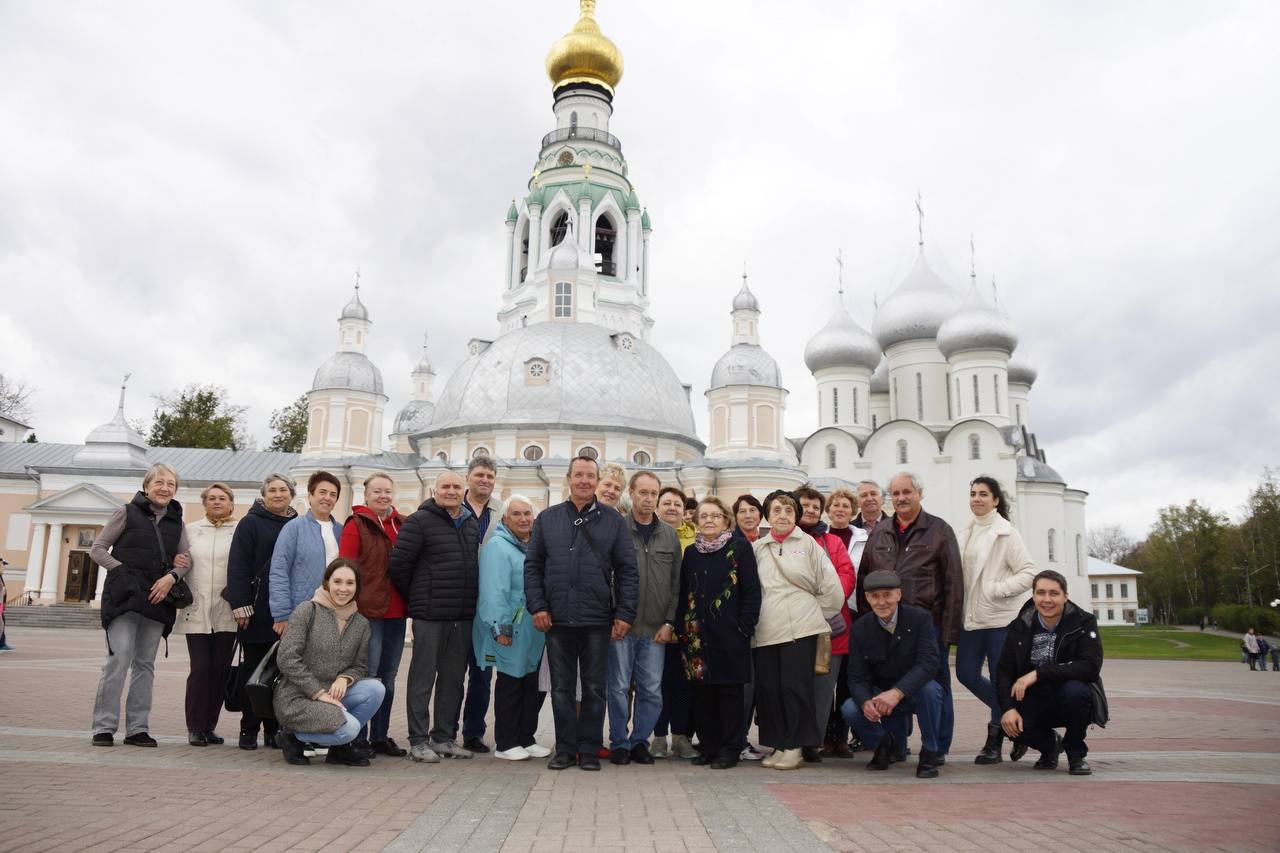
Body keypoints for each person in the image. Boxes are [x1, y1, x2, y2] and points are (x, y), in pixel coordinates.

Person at [524, 455, 639, 771]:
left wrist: (625, 614)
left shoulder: (613, 521)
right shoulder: (548, 519)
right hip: (557, 618)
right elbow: (533, 566)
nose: (585, 481)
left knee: (593, 687)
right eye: (579, 475)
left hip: (597, 618)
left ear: (596, 480)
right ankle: (565, 749)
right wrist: (538, 606)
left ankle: (588, 749)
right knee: (561, 688)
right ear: (569, 479)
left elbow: (627, 570)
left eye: (590, 476)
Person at [855, 471, 962, 761]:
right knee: (892, 686)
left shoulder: (939, 530)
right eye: (896, 493)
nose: (901, 498)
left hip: (928, 625)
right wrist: (868, 625)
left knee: (936, 688)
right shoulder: (880, 532)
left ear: (919, 494)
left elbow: (953, 582)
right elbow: (865, 578)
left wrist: (949, 631)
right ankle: (897, 746)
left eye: (907, 492)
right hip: (886, 626)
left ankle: (937, 748)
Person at [89, 463, 192, 747]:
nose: (165, 488)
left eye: (171, 484)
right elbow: (97, 549)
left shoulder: (177, 521)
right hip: (124, 598)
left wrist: (171, 578)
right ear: (146, 486)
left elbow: (186, 560)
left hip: (158, 600)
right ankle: (104, 727)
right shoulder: (126, 512)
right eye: (159, 482)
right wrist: (122, 570)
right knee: (118, 660)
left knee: (145, 664)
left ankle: (137, 729)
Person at [389, 470, 481, 763]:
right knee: (422, 678)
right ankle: (418, 740)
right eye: (446, 486)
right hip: (429, 615)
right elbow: (399, 567)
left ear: (463, 489)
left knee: (453, 680)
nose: (451, 491)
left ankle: (443, 738)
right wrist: (419, 598)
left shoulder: (470, 523)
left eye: (456, 486)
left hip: (462, 615)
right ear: (434, 490)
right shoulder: (419, 522)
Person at [751, 490, 843, 771]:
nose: (782, 515)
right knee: (769, 689)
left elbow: (832, 589)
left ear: (796, 516)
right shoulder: (758, 548)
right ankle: (779, 744)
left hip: (799, 630)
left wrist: (814, 614)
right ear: (768, 515)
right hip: (766, 630)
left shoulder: (809, 545)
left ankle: (795, 747)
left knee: (795, 688)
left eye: (789, 511)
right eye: (777, 510)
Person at [956, 476, 1038, 765]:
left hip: (1000, 619)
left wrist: (996, 590)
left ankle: (994, 742)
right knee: (965, 673)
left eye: (983, 494)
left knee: (1000, 679)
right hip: (972, 617)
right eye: (973, 493)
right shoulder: (965, 532)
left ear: (995, 500)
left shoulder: (1006, 533)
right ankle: (1018, 722)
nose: (976, 499)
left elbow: (1029, 573)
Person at [274, 558, 385, 767]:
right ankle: (291, 736)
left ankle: (339, 750)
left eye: (350, 583)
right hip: (297, 696)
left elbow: (360, 666)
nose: (343, 589)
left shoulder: (361, 623)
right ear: (327, 583)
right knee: (350, 729)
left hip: (333, 692)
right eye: (338, 582)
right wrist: (318, 693)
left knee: (376, 689)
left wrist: (345, 678)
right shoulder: (307, 611)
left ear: (357, 587)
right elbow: (287, 658)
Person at [678, 497, 761, 769]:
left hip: (730, 635)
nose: (710, 520)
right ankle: (710, 746)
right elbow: (683, 592)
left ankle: (730, 748)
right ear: (697, 521)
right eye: (704, 516)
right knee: (702, 695)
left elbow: (751, 591)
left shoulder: (739, 548)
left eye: (716, 515)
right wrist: (681, 627)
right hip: (696, 636)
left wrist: (743, 627)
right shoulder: (691, 552)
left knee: (729, 694)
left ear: (726, 519)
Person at [997, 570, 1102, 776]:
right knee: (1014, 726)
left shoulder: (1083, 622)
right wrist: (1008, 709)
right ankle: (1049, 746)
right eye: (1041, 593)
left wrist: (1038, 673)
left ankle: (1076, 754)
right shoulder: (1020, 626)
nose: (1047, 599)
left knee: (1075, 692)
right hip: (1034, 696)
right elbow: (1003, 671)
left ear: (1065, 596)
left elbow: (1090, 667)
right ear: (1033, 596)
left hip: (1069, 692)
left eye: (1054, 593)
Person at [842, 570, 945, 778]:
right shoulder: (860, 628)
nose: (882, 602)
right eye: (875, 596)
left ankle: (930, 751)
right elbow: (856, 676)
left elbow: (929, 663)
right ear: (867, 599)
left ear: (899, 595)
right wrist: (865, 702)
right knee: (850, 709)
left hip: (913, 691)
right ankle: (884, 744)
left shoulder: (920, 619)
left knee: (931, 691)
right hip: (880, 693)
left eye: (887, 595)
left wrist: (897, 692)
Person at [608, 470, 680, 765]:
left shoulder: (669, 535)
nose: (649, 499)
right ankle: (619, 743)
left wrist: (669, 622)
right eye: (643, 493)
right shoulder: (617, 530)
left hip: (655, 629)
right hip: (621, 627)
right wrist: (612, 615)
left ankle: (640, 741)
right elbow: (606, 576)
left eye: (654, 494)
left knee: (652, 691)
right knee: (618, 687)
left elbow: (676, 584)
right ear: (632, 494)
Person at [474, 496, 550, 761]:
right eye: (516, 514)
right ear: (505, 519)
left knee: (532, 684)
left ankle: (526, 738)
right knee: (511, 683)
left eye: (527, 513)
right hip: (511, 628)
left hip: (533, 630)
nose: (523, 519)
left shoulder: (530, 546)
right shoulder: (498, 547)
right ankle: (506, 742)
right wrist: (499, 626)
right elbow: (493, 591)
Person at [225, 473, 298, 750]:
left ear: (291, 494)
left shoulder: (298, 524)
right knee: (253, 673)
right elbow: (238, 566)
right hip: (256, 611)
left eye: (283, 490)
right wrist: (241, 605)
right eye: (273, 491)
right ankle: (249, 729)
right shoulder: (250, 523)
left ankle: (273, 729)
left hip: (289, 612)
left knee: (281, 675)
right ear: (264, 495)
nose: (278, 495)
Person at [338, 473, 407, 758]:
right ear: (365, 495)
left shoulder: (402, 524)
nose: (383, 496)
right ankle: (358, 736)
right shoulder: (357, 525)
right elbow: (345, 567)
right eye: (377, 491)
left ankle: (380, 735)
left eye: (387, 491)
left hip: (397, 611)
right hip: (368, 614)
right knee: (370, 677)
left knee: (388, 678)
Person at [795, 485, 856, 764]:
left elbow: (845, 574)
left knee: (822, 688)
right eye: (805, 505)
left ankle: (812, 741)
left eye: (815, 507)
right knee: (792, 686)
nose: (810, 510)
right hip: (791, 627)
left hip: (829, 629)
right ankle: (788, 738)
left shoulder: (833, 543)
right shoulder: (783, 540)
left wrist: (825, 602)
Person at [174, 483, 239, 746]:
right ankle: (194, 726)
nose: (216, 502)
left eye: (222, 498)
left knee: (220, 671)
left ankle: (210, 725)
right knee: (200, 669)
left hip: (226, 610)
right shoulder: (190, 531)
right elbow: (179, 560)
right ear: (204, 503)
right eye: (211, 498)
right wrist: (175, 562)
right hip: (197, 609)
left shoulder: (239, 531)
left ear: (231, 503)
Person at [457, 457, 504, 753]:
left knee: (482, 672)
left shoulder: (500, 512)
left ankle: (474, 733)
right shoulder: (451, 506)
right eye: (479, 475)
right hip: (455, 601)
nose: (484, 480)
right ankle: (445, 731)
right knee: (450, 673)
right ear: (468, 477)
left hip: (487, 604)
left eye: (489, 475)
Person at [823, 487, 869, 756]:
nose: (840, 509)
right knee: (826, 679)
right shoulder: (820, 538)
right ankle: (825, 735)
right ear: (828, 510)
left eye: (845, 506)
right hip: (829, 616)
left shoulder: (864, 538)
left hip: (856, 616)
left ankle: (841, 736)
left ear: (853, 511)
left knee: (848, 680)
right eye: (835, 505)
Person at [653, 484, 698, 759]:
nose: (671, 508)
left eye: (677, 504)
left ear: (685, 510)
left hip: (689, 625)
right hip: (656, 622)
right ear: (658, 507)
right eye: (666, 503)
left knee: (683, 683)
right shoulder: (651, 535)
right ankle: (658, 736)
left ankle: (681, 736)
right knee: (656, 683)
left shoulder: (697, 539)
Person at [269, 471, 343, 632]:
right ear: (310, 496)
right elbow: (279, 571)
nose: (327, 498)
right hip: (302, 612)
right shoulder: (294, 528)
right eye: (322, 492)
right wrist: (281, 613)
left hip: (335, 611)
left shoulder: (341, 531)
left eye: (333, 494)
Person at [0, 559, 11, 652]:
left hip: (1, 605)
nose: (4, 567)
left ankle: (2, 643)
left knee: (2, 623)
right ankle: (2, 643)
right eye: (2, 564)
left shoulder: (1, 577)